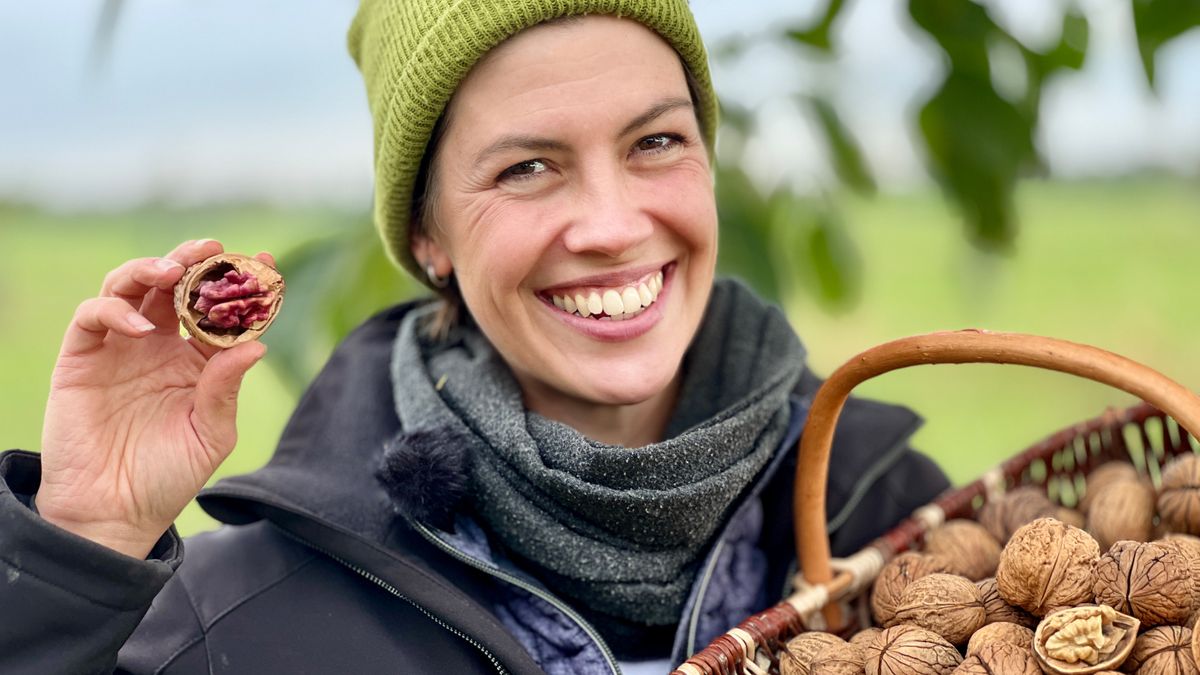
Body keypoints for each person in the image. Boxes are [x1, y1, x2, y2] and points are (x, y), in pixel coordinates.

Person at [0, 2, 948, 673]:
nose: (612, 225)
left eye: (655, 141)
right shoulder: (235, 625)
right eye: (529, 166)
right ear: (428, 236)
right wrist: (80, 545)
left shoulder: (899, 522)